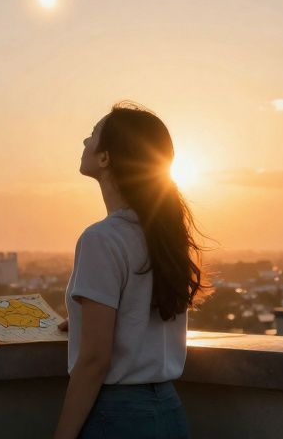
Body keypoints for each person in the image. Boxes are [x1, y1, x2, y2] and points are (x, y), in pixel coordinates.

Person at [52, 103, 206, 439]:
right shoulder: (164, 235)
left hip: (117, 416)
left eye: (93, 134)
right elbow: (142, 311)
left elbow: (94, 359)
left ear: (105, 158)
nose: (84, 141)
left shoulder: (101, 238)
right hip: (168, 410)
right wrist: (84, 319)